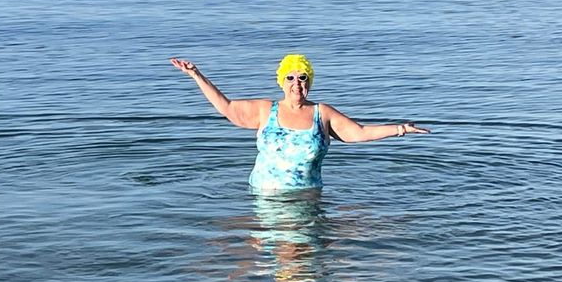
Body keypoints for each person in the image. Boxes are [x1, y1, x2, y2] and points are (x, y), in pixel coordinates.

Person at [170, 54, 430, 191]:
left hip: (306, 199)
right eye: (291, 77)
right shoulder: (265, 110)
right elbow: (226, 107)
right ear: (281, 81)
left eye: (303, 77)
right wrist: (196, 75)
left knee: (306, 260)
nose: (297, 83)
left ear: (310, 82)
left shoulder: (322, 113)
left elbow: (359, 132)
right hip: (264, 198)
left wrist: (400, 129)